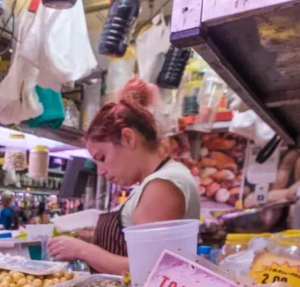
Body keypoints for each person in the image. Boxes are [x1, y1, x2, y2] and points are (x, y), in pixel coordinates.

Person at [47, 79, 200, 274]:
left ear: (128, 138)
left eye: (102, 158)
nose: (101, 171)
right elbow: (142, 244)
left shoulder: (162, 186)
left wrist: (81, 250)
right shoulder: (159, 180)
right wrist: (96, 236)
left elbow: (148, 270)